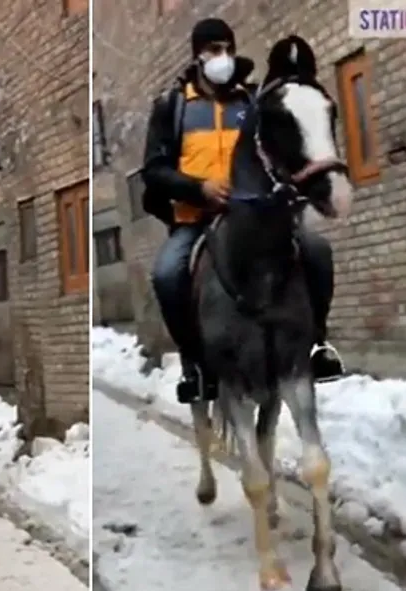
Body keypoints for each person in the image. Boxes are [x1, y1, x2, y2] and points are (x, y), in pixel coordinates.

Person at [140, 17, 343, 404]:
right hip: (195, 221)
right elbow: (154, 170)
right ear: (198, 56)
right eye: (215, 50)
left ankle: (317, 346)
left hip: (258, 219)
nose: (225, 58)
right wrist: (198, 189)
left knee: (318, 251)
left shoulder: (253, 102)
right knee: (167, 274)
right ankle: (196, 365)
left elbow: (281, 150)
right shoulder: (173, 106)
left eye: (229, 49)